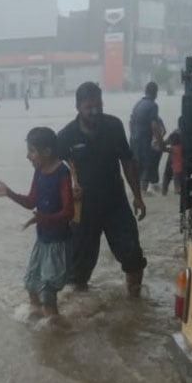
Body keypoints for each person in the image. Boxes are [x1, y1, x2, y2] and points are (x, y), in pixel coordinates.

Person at [56, 82, 147, 297]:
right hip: (83, 208)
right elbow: (53, 169)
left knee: (133, 255)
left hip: (116, 203)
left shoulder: (114, 126)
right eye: (89, 107)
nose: (95, 111)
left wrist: (137, 196)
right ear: (78, 107)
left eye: (99, 105)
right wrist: (67, 191)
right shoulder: (66, 136)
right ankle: (84, 314)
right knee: (79, 269)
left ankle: (135, 303)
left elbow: (127, 162)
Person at [0, 127, 74, 317]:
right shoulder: (39, 171)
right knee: (31, 284)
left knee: (48, 292)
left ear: (47, 152)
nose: (28, 156)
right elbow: (31, 202)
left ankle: (54, 330)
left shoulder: (62, 173)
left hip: (57, 243)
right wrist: (9, 193)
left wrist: (45, 218)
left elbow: (69, 212)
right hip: (42, 241)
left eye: (32, 151)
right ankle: (36, 323)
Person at [129, 82, 161, 193]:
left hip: (134, 140)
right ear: (155, 93)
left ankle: (137, 191)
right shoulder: (153, 105)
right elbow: (154, 125)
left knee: (137, 165)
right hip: (144, 140)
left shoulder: (138, 104)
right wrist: (158, 141)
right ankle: (143, 190)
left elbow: (131, 122)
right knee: (147, 164)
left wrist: (133, 136)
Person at [162, 126, 183, 196]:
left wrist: (157, 144)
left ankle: (164, 191)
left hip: (175, 166)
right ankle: (177, 190)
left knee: (167, 174)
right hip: (181, 165)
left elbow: (164, 147)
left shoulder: (173, 148)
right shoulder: (179, 147)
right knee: (178, 179)